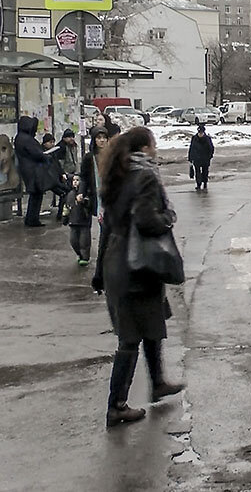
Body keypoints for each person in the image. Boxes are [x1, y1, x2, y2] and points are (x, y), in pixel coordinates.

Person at [92, 127, 184, 427]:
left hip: (117, 262)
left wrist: (98, 272)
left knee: (150, 325)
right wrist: (167, 219)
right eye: (154, 144)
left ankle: (158, 382)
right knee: (131, 337)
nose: (156, 149)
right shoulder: (144, 176)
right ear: (144, 148)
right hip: (138, 265)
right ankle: (116, 405)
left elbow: (107, 225)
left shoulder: (115, 174)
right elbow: (146, 220)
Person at [69, 128, 108, 267]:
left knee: (106, 227)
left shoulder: (113, 155)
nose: (102, 140)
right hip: (94, 196)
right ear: (94, 140)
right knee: (83, 226)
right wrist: (81, 192)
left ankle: (105, 256)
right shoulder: (89, 157)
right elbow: (84, 177)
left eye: (104, 137)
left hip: (109, 197)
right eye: (99, 138)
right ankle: (85, 254)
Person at [15, 116, 48, 227]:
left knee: (34, 194)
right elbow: (37, 153)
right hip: (33, 170)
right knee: (36, 195)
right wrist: (45, 156)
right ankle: (33, 219)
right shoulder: (27, 139)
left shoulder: (19, 137)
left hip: (26, 169)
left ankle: (31, 218)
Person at [188, 125, 214, 192]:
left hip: (205, 159)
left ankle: (205, 183)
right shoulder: (194, 138)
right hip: (197, 159)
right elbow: (191, 148)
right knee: (197, 172)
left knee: (205, 172)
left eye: (201, 133)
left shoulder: (207, 139)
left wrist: (210, 156)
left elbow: (211, 148)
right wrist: (190, 158)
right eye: (199, 133)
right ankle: (198, 184)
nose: (200, 134)